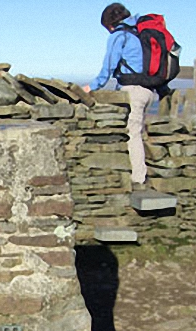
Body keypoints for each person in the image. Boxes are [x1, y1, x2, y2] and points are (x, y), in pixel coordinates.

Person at [83, 3, 155, 191]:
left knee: (133, 134)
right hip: (149, 90)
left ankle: (138, 180)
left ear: (109, 23)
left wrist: (91, 87)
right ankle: (140, 172)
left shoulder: (119, 36)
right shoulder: (138, 33)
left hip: (133, 89)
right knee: (138, 130)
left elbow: (108, 66)